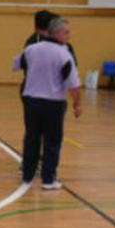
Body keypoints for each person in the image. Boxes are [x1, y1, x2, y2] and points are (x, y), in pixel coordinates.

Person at [13, 16, 82, 190]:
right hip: (53, 104)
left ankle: (27, 175)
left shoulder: (32, 49)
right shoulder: (64, 54)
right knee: (52, 141)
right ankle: (48, 179)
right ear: (57, 33)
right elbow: (74, 84)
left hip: (31, 102)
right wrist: (77, 104)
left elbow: (16, 64)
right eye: (66, 32)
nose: (69, 35)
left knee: (32, 139)